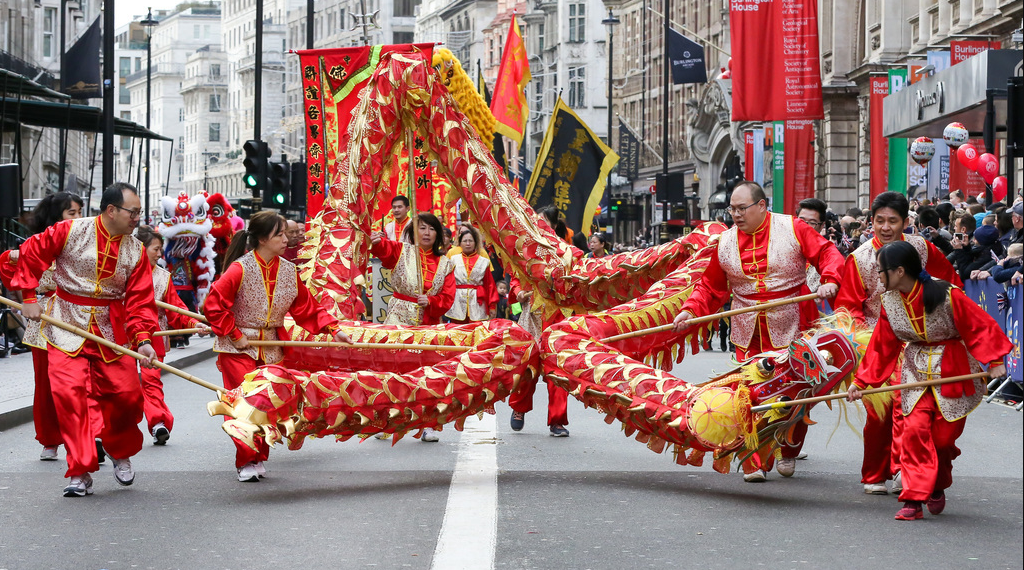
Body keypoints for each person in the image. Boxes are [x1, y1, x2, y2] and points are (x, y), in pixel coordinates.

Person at [672, 181, 844, 482]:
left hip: (792, 319)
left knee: (796, 392)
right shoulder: (724, 242)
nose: (736, 215)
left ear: (762, 206)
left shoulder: (793, 228)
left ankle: (789, 448)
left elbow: (828, 253)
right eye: (732, 210)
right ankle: (753, 460)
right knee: (747, 394)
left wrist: (830, 278)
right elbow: (710, 286)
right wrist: (690, 310)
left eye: (742, 209)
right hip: (746, 326)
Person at [11, 182, 160, 497]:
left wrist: (143, 338)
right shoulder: (70, 231)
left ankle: (119, 450)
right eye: (132, 212)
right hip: (65, 324)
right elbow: (31, 251)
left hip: (110, 329)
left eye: (138, 212)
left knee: (127, 396)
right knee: (70, 397)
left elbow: (140, 301)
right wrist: (27, 295)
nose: (137, 218)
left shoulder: (135, 251)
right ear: (111, 210)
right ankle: (79, 470)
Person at [846, 241, 1010, 521]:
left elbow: (979, 325)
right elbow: (882, 345)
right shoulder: (889, 301)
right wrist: (862, 382)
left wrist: (994, 361)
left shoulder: (947, 294)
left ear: (899, 271)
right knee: (914, 433)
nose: (878, 277)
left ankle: (936, 482)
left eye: (881, 271)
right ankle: (912, 498)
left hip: (953, 367)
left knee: (943, 440)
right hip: (915, 370)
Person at [205, 210, 350, 482]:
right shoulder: (239, 268)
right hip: (238, 347)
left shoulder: (288, 270)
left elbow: (307, 307)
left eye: (285, 233)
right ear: (262, 238)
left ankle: (259, 455)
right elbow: (213, 306)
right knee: (244, 403)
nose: (286, 239)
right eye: (280, 234)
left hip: (271, 345)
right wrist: (235, 335)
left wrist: (333, 329)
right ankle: (246, 459)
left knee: (268, 403)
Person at [833, 191, 962, 495]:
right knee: (879, 412)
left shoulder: (923, 249)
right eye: (880, 221)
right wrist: (861, 338)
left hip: (920, 342)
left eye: (893, 221)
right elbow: (848, 306)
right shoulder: (860, 258)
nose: (886, 227)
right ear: (871, 222)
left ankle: (905, 469)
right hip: (876, 344)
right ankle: (875, 472)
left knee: (911, 409)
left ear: (905, 222)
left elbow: (950, 286)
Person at [0, 192, 94, 462]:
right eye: (71, 213)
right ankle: (50, 439)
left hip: (81, 320)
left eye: (79, 212)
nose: (78, 218)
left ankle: (88, 436)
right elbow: (9, 263)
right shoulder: (36, 244)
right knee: (46, 384)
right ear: (56, 217)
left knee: (85, 382)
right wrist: (29, 298)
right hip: (46, 323)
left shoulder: (88, 244)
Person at [370, 212, 455, 442]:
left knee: (427, 375)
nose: (426, 233)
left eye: (431, 229)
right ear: (413, 231)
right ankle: (387, 420)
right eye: (422, 228)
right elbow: (383, 250)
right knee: (394, 369)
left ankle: (427, 424)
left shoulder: (446, 264)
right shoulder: (401, 251)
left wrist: (432, 302)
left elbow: (448, 297)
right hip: (399, 316)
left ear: (438, 234)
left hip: (428, 321)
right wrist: (375, 241)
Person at [135, 226, 211, 445]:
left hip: (155, 334)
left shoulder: (163, 277)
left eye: (161, 249)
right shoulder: (123, 274)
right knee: (125, 386)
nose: (160, 254)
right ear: (141, 249)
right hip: (125, 334)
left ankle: (158, 422)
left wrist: (194, 323)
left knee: (152, 381)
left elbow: (175, 308)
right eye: (156, 249)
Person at [508, 205, 573, 437]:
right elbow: (516, 279)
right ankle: (518, 408)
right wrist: (518, 293)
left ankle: (557, 421)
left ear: (553, 226)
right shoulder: (526, 250)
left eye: (543, 221)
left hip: (558, 319)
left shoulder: (567, 253)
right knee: (527, 367)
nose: (538, 225)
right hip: (532, 316)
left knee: (557, 371)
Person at [445, 225, 498, 323]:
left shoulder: (483, 261)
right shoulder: (453, 260)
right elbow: (448, 283)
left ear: (475, 243)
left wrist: (492, 306)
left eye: (471, 241)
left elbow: (489, 285)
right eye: (465, 241)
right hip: (457, 301)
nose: (468, 243)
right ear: (460, 243)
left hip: (478, 302)